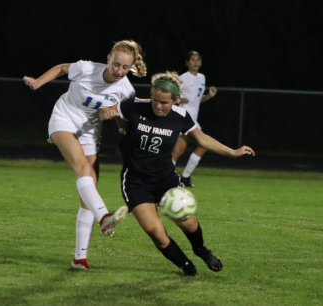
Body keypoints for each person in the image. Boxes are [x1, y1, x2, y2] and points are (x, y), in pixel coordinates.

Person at [99, 71, 254, 276]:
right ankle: (187, 267)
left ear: (176, 100)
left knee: (187, 222)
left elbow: (201, 139)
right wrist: (108, 114)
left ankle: (200, 249)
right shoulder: (134, 105)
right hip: (135, 181)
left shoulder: (180, 116)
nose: (158, 106)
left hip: (165, 178)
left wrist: (232, 153)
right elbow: (106, 111)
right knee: (156, 233)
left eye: (164, 102)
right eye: (155, 100)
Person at [23, 40, 147, 270]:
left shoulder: (126, 90)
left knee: (88, 190)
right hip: (64, 117)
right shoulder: (87, 68)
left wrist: (118, 121)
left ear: (131, 67)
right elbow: (61, 68)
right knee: (84, 169)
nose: (119, 71)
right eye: (116, 64)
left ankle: (79, 259)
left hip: (90, 131)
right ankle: (104, 219)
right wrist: (38, 82)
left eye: (125, 67)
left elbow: (114, 115)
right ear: (108, 58)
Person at [172, 51, 217, 187]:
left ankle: (181, 178)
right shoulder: (182, 78)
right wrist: (178, 99)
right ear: (187, 63)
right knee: (200, 146)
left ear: (201, 63)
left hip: (192, 118)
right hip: (184, 117)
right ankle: (177, 178)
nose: (196, 62)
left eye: (198, 60)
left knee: (182, 150)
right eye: (193, 60)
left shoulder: (201, 78)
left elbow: (196, 101)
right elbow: (171, 98)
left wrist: (209, 96)